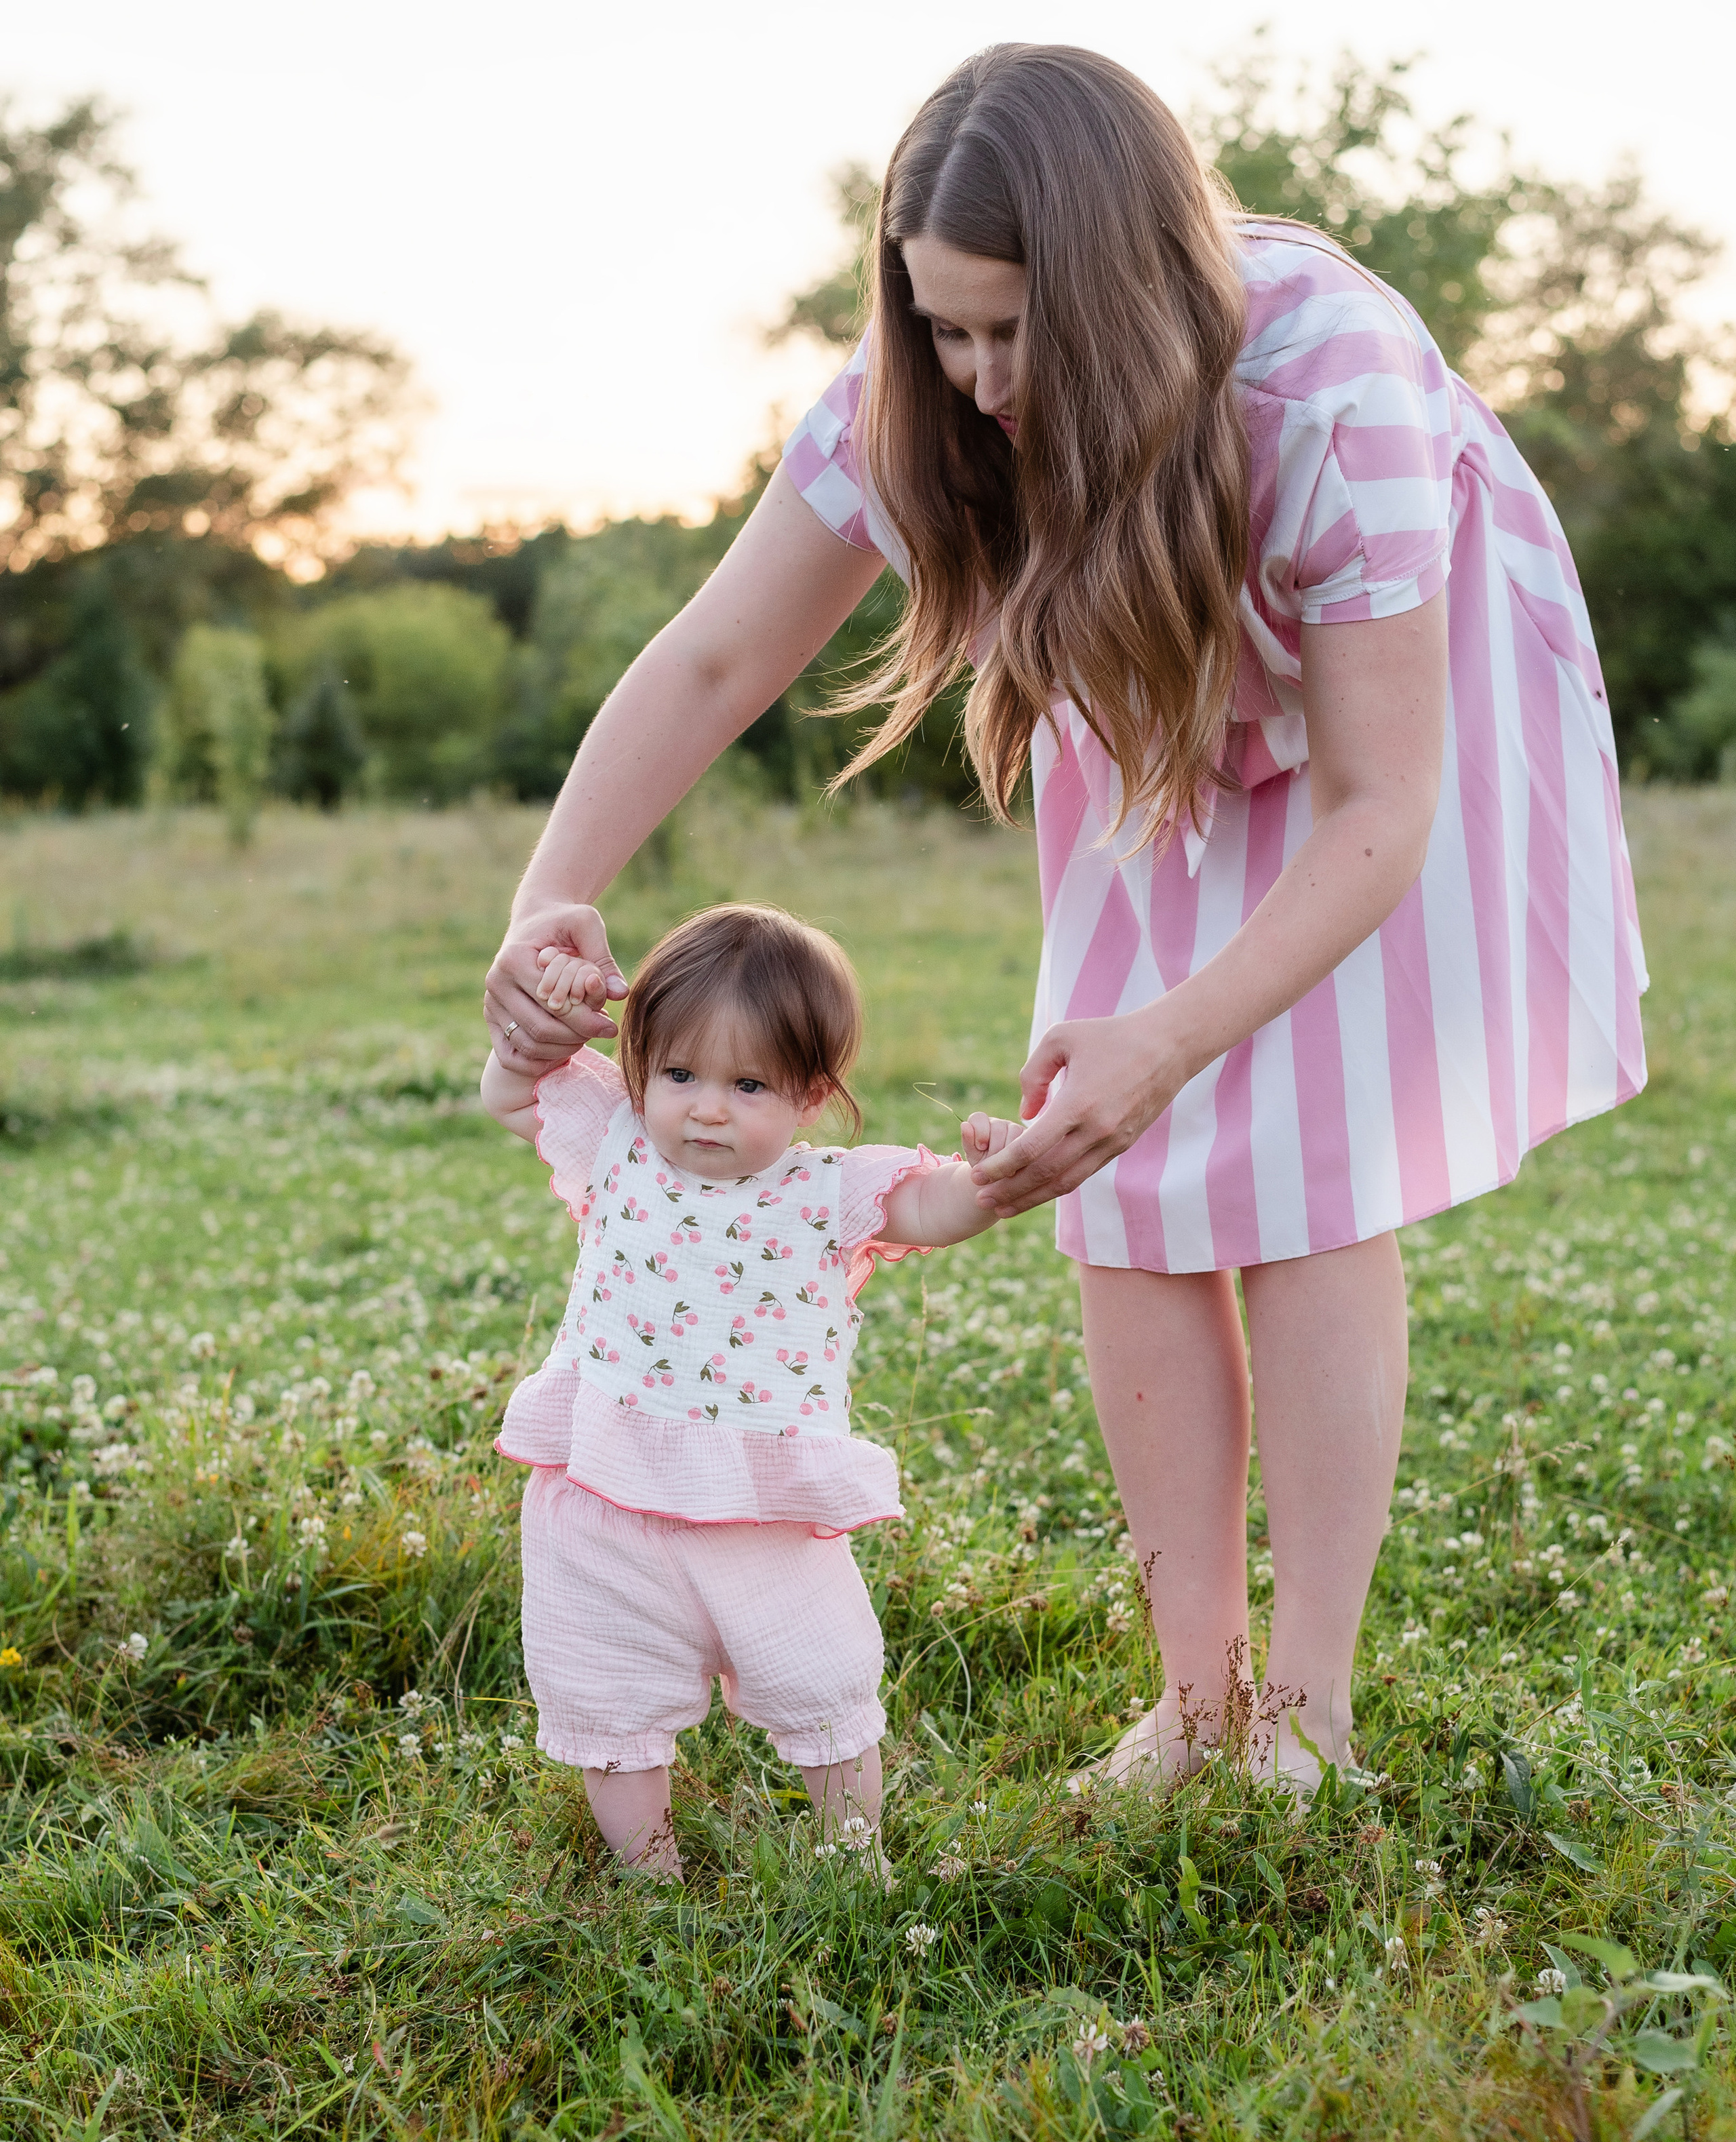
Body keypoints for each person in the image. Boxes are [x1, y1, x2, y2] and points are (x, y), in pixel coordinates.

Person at [484, 45, 1646, 1798]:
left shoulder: (1332, 387)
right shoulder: (911, 404)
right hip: (1152, 691)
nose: (979, 377)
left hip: (1374, 736)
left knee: (1312, 1171)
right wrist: (549, 894)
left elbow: (1377, 808)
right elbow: (718, 655)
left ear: (1122, 287)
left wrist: (1173, 1038)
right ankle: (1192, 1700)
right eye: (942, 328)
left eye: (1014, 331)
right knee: (1114, 1183)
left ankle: (1304, 1711)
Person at [479, 902, 1026, 1879]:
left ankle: (854, 1861)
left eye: (748, 1085)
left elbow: (936, 1207)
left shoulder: (826, 1191)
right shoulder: (616, 1140)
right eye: (679, 1075)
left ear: (810, 1094)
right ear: (643, 1067)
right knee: (608, 1692)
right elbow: (514, 1089)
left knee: (824, 1680)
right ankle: (648, 1876)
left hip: (763, 1512)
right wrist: (548, 1010)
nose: (706, 1109)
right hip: (603, 1498)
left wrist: (993, 1174)